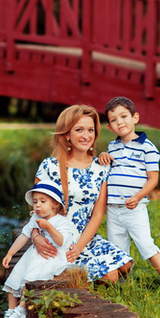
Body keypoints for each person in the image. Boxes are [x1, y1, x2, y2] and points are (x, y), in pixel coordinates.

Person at [32, 105, 133, 283]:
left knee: (125, 265)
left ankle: (74, 273)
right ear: (67, 134)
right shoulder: (49, 166)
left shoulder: (101, 167)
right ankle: (61, 274)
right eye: (79, 130)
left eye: (90, 130)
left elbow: (97, 214)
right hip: (58, 240)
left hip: (85, 239)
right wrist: (36, 237)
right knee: (111, 276)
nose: (86, 136)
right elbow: (36, 208)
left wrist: (79, 247)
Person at [99, 96, 160, 293]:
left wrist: (138, 197)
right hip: (113, 208)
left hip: (134, 207)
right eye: (114, 120)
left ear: (135, 118)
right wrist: (102, 156)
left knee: (146, 244)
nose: (120, 122)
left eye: (124, 116)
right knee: (118, 249)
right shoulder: (112, 147)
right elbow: (107, 169)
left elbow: (153, 179)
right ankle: (124, 286)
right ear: (109, 127)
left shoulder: (148, 148)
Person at [0, 179, 76, 318]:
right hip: (33, 255)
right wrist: (10, 253)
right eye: (35, 201)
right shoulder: (35, 218)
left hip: (50, 257)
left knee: (29, 280)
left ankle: (21, 310)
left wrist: (49, 227)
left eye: (42, 201)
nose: (37, 205)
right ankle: (10, 311)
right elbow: (24, 235)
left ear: (55, 204)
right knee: (14, 278)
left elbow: (61, 242)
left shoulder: (62, 222)